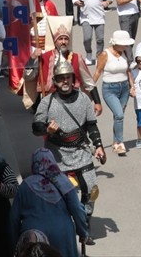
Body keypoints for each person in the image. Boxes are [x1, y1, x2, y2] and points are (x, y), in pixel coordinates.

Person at [31, 55, 106, 219]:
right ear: (55, 81)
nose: (65, 81)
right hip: (57, 154)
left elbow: (91, 125)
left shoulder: (84, 99)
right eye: (61, 78)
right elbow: (36, 127)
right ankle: (64, 220)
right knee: (57, 194)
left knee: (92, 189)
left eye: (67, 78)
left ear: (73, 79)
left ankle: (85, 222)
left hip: (81, 151)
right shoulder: (47, 102)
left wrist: (98, 145)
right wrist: (47, 129)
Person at [10, 148, 90, 257]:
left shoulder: (25, 185)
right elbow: (76, 208)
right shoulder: (64, 181)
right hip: (62, 234)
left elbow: (13, 219)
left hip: (34, 237)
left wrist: (15, 245)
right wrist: (83, 232)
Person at [94, 30, 136, 155]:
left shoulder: (124, 53)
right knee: (119, 115)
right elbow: (97, 72)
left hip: (124, 88)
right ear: (115, 43)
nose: (126, 47)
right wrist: (89, 89)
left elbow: (128, 70)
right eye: (123, 44)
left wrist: (132, 86)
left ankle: (115, 142)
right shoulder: (104, 54)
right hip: (109, 89)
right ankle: (119, 142)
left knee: (119, 116)